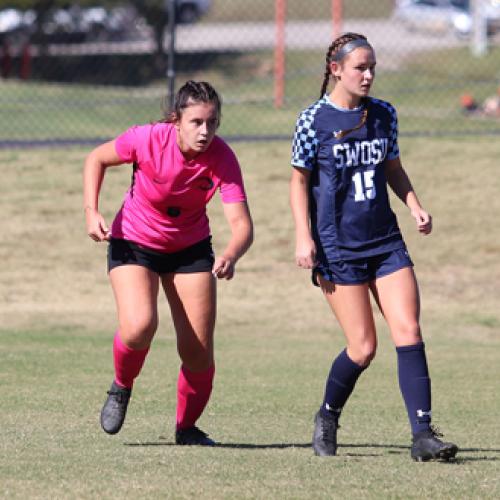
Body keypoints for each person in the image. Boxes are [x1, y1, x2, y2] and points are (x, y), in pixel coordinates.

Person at [289, 33, 458, 461]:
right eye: (361, 67)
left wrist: (416, 206)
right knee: (363, 348)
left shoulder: (384, 114)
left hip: (385, 241)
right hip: (337, 247)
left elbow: (393, 169)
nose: (368, 75)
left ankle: (422, 436)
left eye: (373, 67)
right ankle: (327, 415)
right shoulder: (312, 121)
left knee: (409, 331)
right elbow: (299, 182)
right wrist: (303, 236)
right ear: (336, 70)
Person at [83, 80, 253, 445]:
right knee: (139, 325)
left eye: (212, 122)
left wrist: (230, 253)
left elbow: (242, 226)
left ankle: (186, 428)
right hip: (133, 240)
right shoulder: (146, 139)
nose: (205, 131)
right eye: (196, 122)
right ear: (177, 120)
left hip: (190, 249)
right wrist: (91, 211)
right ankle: (121, 386)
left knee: (197, 350)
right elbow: (96, 158)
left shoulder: (222, 157)